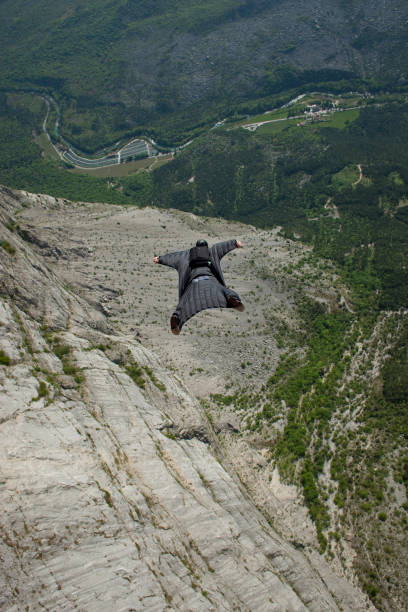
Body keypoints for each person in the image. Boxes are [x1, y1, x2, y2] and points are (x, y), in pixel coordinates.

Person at [153, 239, 244, 335]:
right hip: (210, 280)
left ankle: (176, 318)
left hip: (193, 284)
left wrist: (159, 259)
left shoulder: (184, 256)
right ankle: (232, 298)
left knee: (183, 303)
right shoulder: (212, 251)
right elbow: (222, 246)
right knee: (225, 291)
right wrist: (235, 243)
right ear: (206, 247)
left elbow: (171, 257)